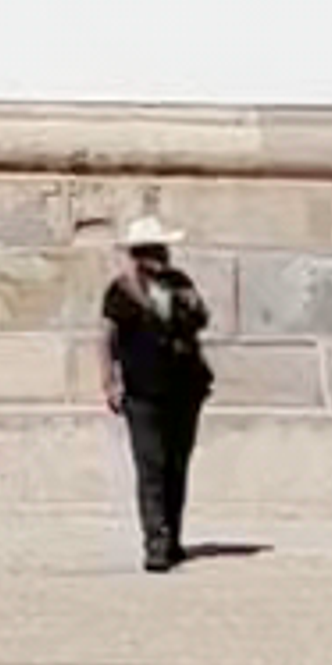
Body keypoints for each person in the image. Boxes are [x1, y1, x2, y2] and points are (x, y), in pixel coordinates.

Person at [98, 222, 211, 570]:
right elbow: (107, 338)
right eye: (151, 251)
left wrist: (190, 305)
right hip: (143, 389)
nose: (159, 257)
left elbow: (200, 321)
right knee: (151, 465)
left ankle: (172, 534)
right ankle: (155, 541)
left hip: (184, 387)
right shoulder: (122, 291)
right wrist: (110, 382)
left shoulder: (180, 284)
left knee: (177, 464)